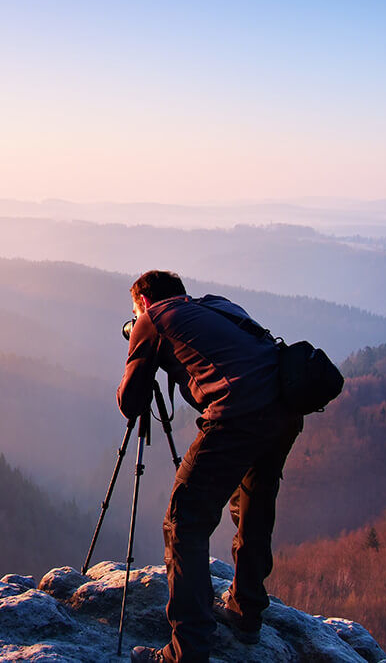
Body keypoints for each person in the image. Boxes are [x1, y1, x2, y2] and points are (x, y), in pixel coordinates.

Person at [116, 270, 303, 663]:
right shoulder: (217, 305)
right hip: (285, 409)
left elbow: (130, 402)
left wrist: (138, 340)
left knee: (183, 522)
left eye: (135, 309)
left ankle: (188, 651)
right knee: (253, 506)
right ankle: (245, 612)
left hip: (237, 416)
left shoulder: (153, 319)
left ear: (144, 303)